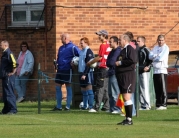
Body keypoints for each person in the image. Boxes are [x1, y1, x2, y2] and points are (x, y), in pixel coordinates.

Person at [52, 34, 80, 111]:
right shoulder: (61, 48)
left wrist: (74, 62)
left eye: (61, 38)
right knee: (57, 87)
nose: (60, 40)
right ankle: (59, 106)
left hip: (68, 69)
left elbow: (80, 55)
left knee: (68, 86)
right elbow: (58, 57)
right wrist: (56, 63)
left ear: (65, 38)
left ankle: (67, 106)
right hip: (60, 69)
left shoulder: (73, 47)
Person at [115, 34, 137, 125]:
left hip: (127, 76)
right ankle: (127, 118)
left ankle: (129, 120)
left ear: (125, 40)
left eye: (120, 40)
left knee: (127, 97)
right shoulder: (123, 50)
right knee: (124, 97)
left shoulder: (129, 49)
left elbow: (132, 60)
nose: (119, 42)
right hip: (122, 76)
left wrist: (120, 62)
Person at [87, 30, 111, 112]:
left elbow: (99, 57)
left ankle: (96, 107)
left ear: (104, 35)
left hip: (103, 69)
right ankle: (107, 106)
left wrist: (90, 62)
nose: (98, 37)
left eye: (100, 35)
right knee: (105, 88)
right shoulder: (109, 44)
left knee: (99, 87)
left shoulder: (103, 45)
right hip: (108, 68)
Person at [149, 35, 169, 110]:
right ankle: (158, 104)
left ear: (164, 40)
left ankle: (163, 104)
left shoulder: (166, 48)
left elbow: (160, 58)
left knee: (162, 88)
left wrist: (155, 57)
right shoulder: (155, 47)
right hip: (155, 70)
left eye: (162, 40)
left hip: (162, 70)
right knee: (157, 88)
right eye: (159, 40)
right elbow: (150, 56)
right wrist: (156, 56)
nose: (160, 42)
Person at [78, 37, 96, 112]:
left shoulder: (89, 51)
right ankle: (85, 106)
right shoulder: (81, 51)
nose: (81, 44)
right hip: (81, 72)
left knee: (89, 89)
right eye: (80, 43)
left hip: (87, 73)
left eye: (82, 43)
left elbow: (89, 64)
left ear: (86, 43)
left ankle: (91, 106)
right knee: (83, 90)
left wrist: (85, 74)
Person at [0, 40, 18, 114]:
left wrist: (13, 72)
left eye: (1, 45)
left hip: (8, 76)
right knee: (5, 93)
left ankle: (13, 109)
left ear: (5, 45)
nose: (0, 46)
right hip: (4, 76)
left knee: (9, 92)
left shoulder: (9, 53)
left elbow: (15, 63)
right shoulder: (4, 53)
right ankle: (6, 109)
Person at [106, 36, 121, 114]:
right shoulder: (112, 51)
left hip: (115, 73)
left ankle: (117, 108)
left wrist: (110, 63)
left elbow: (111, 62)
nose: (109, 43)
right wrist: (109, 63)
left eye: (110, 41)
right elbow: (108, 62)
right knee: (110, 92)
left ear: (115, 42)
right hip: (111, 72)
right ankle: (112, 108)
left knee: (115, 92)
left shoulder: (118, 51)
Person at [137, 36, 152, 110]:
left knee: (145, 88)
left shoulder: (146, 49)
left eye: (139, 41)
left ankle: (147, 105)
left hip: (144, 72)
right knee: (140, 88)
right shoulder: (139, 50)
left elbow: (151, 59)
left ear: (143, 42)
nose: (137, 42)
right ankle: (143, 104)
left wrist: (148, 66)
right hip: (139, 71)